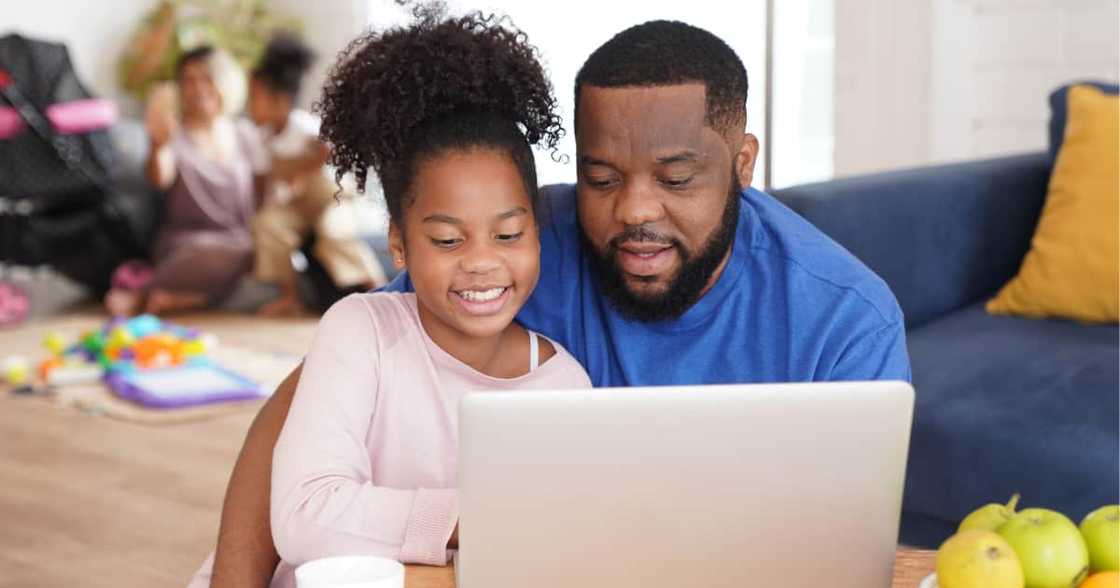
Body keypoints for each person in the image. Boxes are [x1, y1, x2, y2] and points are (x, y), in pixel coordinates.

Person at [203, 19, 912, 587]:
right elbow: (303, 407)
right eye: (602, 177)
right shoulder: (523, 243)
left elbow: (848, 542)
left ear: (744, 162)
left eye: (675, 176)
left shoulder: (844, 317)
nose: (634, 210)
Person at [188, 8, 590, 587]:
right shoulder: (361, 330)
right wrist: (475, 517)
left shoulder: (564, 384)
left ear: (537, 233)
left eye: (508, 235)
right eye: (448, 239)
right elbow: (303, 520)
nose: (481, 261)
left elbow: (557, 545)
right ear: (399, 245)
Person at [105, 46, 264, 317]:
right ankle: (144, 293)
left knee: (259, 256)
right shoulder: (173, 136)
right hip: (190, 247)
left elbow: (263, 194)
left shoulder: (245, 134)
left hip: (244, 241)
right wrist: (157, 144)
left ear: (226, 82)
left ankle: (185, 299)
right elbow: (159, 178)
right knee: (238, 253)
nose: (197, 87)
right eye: (188, 80)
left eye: (206, 77)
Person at [246, 34, 387, 317]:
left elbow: (331, 151)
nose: (249, 105)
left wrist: (303, 169)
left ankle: (379, 289)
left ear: (279, 100)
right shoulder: (261, 139)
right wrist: (264, 204)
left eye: (254, 97)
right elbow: (260, 183)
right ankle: (290, 296)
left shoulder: (304, 127)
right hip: (298, 206)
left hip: (331, 199)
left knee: (334, 233)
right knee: (268, 226)